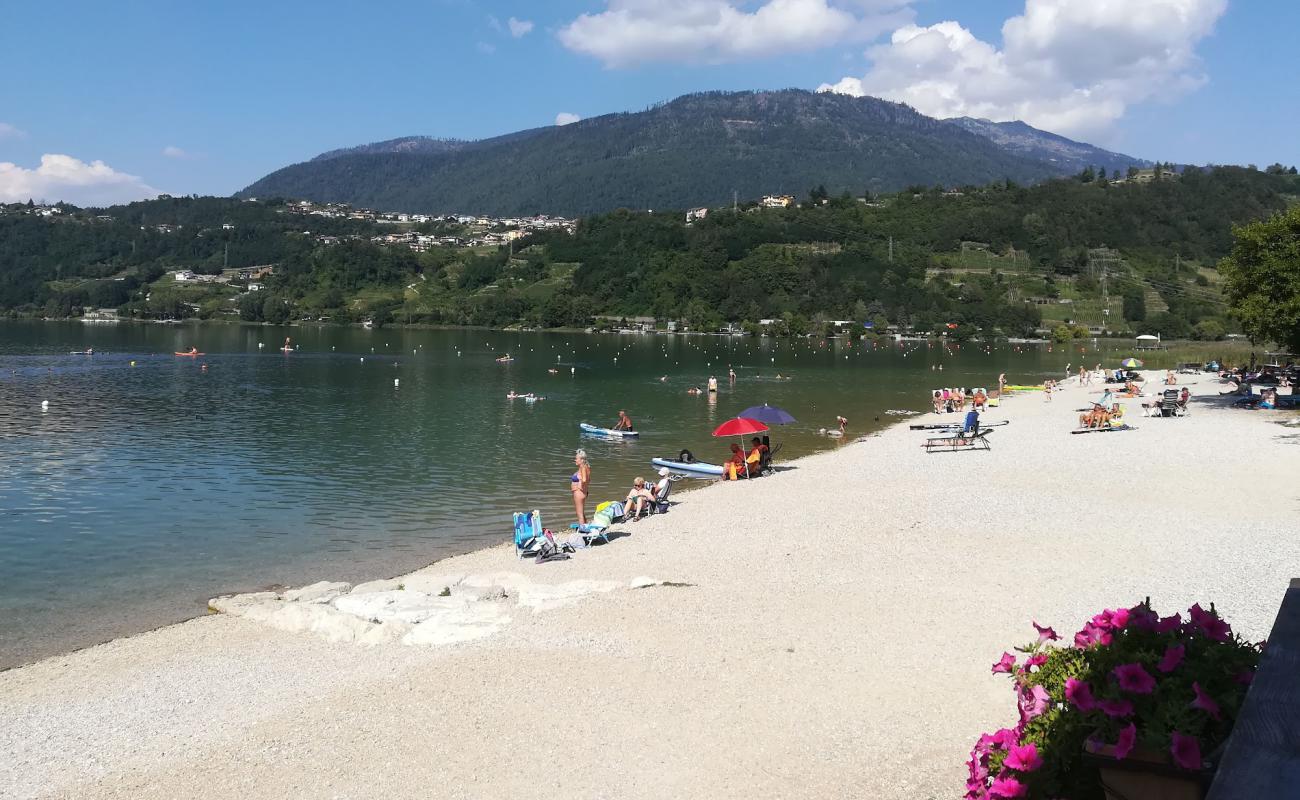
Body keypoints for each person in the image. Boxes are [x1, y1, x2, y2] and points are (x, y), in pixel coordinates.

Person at [571, 449, 590, 524]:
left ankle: (582, 531)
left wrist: (580, 484)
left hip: (579, 492)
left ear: (582, 460)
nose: (575, 460)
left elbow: (584, 479)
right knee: (581, 513)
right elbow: (589, 479)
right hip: (582, 492)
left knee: (580, 514)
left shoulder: (583, 467)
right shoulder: (586, 467)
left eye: (576, 458)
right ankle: (586, 527)